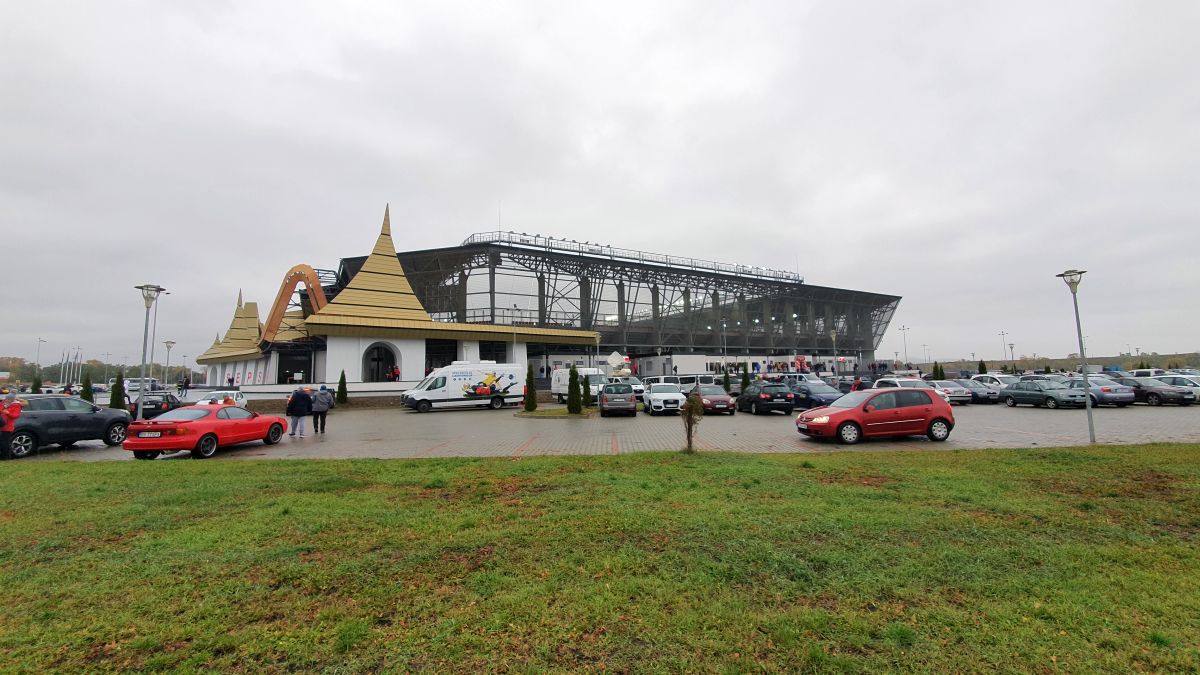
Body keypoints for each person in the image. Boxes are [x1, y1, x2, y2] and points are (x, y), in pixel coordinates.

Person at [1, 392, 24, 460]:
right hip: (1, 425)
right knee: (1, 442)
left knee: (5, 443)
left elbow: (16, 416)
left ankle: (6, 457)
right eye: (6, 398)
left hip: (8, 427)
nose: (6, 400)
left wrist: (8, 413)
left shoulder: (16, 405)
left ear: (12, 400)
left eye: (8, 399)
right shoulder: (2, 403)